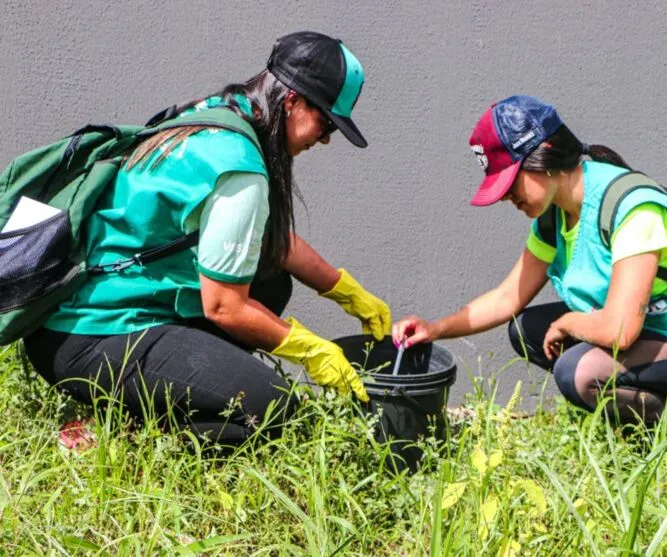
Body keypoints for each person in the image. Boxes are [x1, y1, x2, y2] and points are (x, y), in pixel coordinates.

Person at [23, 31, 391, 445]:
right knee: (275, 410)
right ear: (293, 101)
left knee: (269, 283)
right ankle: (126, 442)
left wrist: (344, 290)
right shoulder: (241, 168)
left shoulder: (218, 114)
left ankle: (167, 396)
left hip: (68, 321)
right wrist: (312, 350)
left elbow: (267, 239)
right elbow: (224, 307)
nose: (325, 138)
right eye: (327, 123)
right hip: (90, 339)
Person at [393, 95, 667, 426]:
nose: (508, 198)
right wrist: (435, 329)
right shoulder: (554, 218)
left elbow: (620, 332)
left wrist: (569, 321)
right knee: (528, 330)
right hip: (662, 329)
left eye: (511, 184)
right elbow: (507, 298)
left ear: (546, 154)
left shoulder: (633, 208)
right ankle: (664, 414)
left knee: (577, 373)